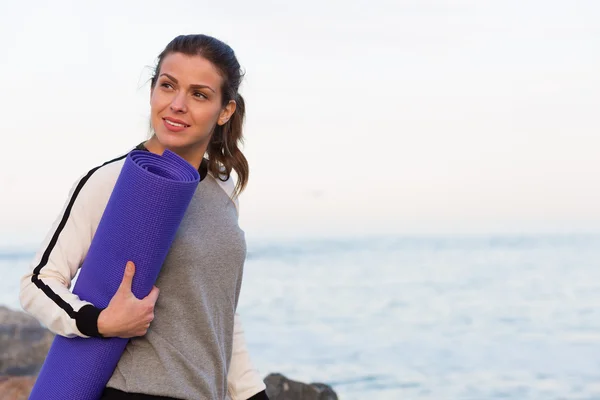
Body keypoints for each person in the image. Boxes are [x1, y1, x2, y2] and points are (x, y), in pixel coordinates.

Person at [19, 34, 269, 400]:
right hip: (128, 389)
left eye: (199, 94)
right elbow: (38, 281)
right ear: (152, 91)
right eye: (168, 86)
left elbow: (218, 310)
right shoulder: (112, 180)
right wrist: (99, 321)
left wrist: (250, 393)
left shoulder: (222, 190)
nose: (177, 105)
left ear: (225, 110)